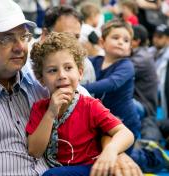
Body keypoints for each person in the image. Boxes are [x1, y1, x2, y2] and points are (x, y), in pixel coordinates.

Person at [0, 0, 143, 175]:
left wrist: (113, 153)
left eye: (23, 36)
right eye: (6, 38)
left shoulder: (42, 69)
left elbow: (91, 113)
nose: (20, 47)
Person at [26, 32, 134, 176]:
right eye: (53, 70)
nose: (62, 75)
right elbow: (34, 151)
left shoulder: (90, 105)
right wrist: (51, 112)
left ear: (80, 73)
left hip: (92, 169)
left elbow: (126, 133)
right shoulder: (40, 108)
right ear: (41, 79)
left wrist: (111, 150)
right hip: (62, 169)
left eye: (68, 68)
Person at [83, 19, 141, 143]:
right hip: (103, 120)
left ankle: (151, 155)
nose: (120, 42)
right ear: (102, 42)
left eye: (126, 40)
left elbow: (111, 83)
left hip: (125, 120)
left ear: (130, 47)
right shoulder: (94, 61)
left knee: (123, 156)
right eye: (115, 37)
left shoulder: (127, 65)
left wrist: (80, 87)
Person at [23, 4, 96, 87]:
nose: (73, 43)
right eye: (66, 36)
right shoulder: (23, 61)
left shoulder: (85, 64)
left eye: (77, 37)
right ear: (45, 34)